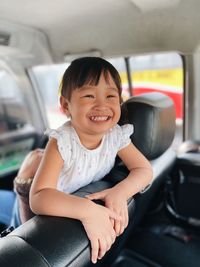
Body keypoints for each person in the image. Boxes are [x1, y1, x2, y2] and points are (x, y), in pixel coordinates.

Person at [29, 57, 153, 264]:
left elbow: (143, 169)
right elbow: (39, 197)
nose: (102, 104)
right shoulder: (62, 141)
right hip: (49, 204)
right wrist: (87, 211)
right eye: (89, 95)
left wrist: (120, 193)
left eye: (111, 96)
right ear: (66, 106)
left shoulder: (115, 135)